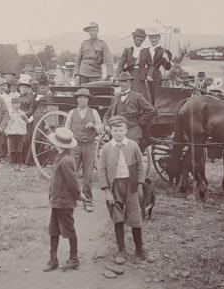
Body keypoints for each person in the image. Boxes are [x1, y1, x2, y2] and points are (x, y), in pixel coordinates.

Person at [98, 115, 147, 264]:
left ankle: (139, 250)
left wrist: (139, 184)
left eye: (121, 130)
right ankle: (121, 250)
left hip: (131, 186)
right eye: (115, 130)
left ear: (126, 130)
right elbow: (101, 170)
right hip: (115, 187)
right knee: (117, 218)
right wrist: (107, 190)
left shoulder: (132, 145)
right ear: (110, 131)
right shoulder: (106, 148)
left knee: (135, 217)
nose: (118, 133)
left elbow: (140, 166)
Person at [44, 127, 81, 272]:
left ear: (58, 145)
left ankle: (74, 258)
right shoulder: (59, 157)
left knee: (69, 230)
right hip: (56, 201)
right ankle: (53, 259)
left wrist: (78, 196)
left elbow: (73, 182)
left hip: (64, 203)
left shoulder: (67, 160)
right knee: (53, 230)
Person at [64, 88, 103, 212]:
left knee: (88, 174)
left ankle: (88, 200)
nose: (82, 100)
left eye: (85, 97)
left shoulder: (94, 112)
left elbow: (101, 128)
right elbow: (66, 129)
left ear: (88, 100)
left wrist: (94, 126)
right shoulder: (71, 112)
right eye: (80, 97)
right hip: (75, 145)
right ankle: (71, 198)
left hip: (89, 145)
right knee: (71, 171)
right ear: (77, 99)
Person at [103, 70, 157, 149]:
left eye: (125, 82)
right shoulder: (115, 98)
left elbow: (151, 110)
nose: (123, 84)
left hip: (133, 130)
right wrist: (106, 126)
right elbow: (106, 115)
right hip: (117, 131)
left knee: (130, 154)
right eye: (121, 82)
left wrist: (140, 122)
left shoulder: (137, 96)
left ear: (130, 83)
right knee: (115, 155)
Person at [114, 27, 152, 98]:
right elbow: (120, 65)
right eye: (137, 40)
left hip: (141, 78)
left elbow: (151, 65)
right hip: (129, 76)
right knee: (128, 97)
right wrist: (116, 77)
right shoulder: (127, 50)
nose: (139, 42)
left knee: (141, 98)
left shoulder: (146, 51)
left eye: (141, 40)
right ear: (134, 38)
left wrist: (149, 74)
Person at [144, 28, 172, 103]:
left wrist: (167, 59)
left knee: (154, 97)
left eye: (156, 38)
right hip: (145, 75)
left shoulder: (163, 51)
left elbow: (167, 67)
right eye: (152, 38)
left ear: (159, 38)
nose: (154, 40)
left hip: (155, 77)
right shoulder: (145, 50)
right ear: (149, 38)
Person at [4, 94, 29, 170]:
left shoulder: (22, 113)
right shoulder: (9, 113)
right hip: (12, 132)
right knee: (12, 148)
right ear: (12, 104)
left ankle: (19, 163)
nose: (17, 105)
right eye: (15, 104)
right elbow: (6, 122)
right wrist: (6, 130)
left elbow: (26, 121)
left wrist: (25, 119)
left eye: (18, 103)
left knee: (19, 148)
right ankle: (12, 162)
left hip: (20, 133)